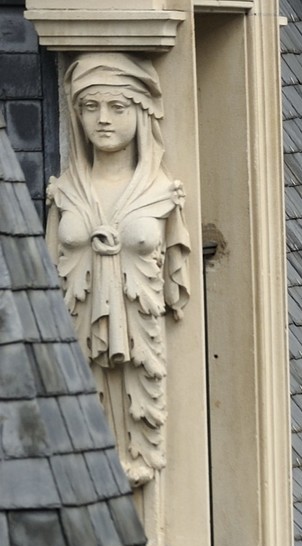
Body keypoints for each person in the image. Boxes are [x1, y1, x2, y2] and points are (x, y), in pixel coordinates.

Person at [45, 52, 189, 493]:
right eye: (90, 107)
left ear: (141, 112)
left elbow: (175, 290)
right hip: (76, 339)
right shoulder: (64, 193)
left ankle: (137, 453)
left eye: (117, 107)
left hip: (142, 342)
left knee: (141, 399)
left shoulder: (161, 195)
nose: (102, 119)